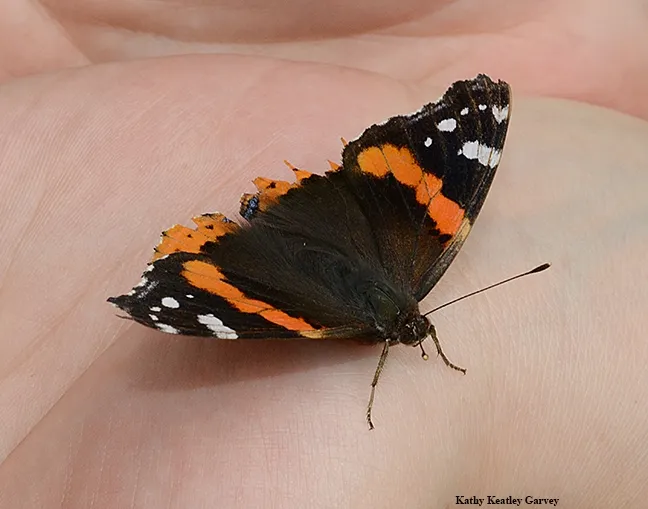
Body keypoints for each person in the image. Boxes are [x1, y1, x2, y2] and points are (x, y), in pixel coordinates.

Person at [1, 1, 647, 507]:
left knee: (268, 310)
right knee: (263, 314)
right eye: (417, 331)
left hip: (323, 220)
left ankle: (210, 258)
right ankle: (194, 276)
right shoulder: (405, 278)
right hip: (320, 239)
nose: (419, 332)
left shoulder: (408, 275)